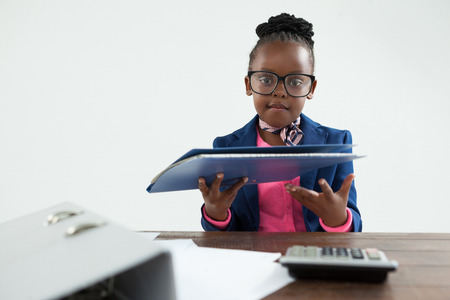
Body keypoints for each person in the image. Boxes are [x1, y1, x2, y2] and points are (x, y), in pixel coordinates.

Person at [198, 13, 362, 232]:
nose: (280, 91)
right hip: (253, 260)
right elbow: (228, 232)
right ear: (248, 84)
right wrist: (216, 213)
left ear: (310, 89)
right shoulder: (226, 148)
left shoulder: (337, 142)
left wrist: (338, 219)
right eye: (266, 80)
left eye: (295, 82)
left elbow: (354, 224)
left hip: (311, 261)